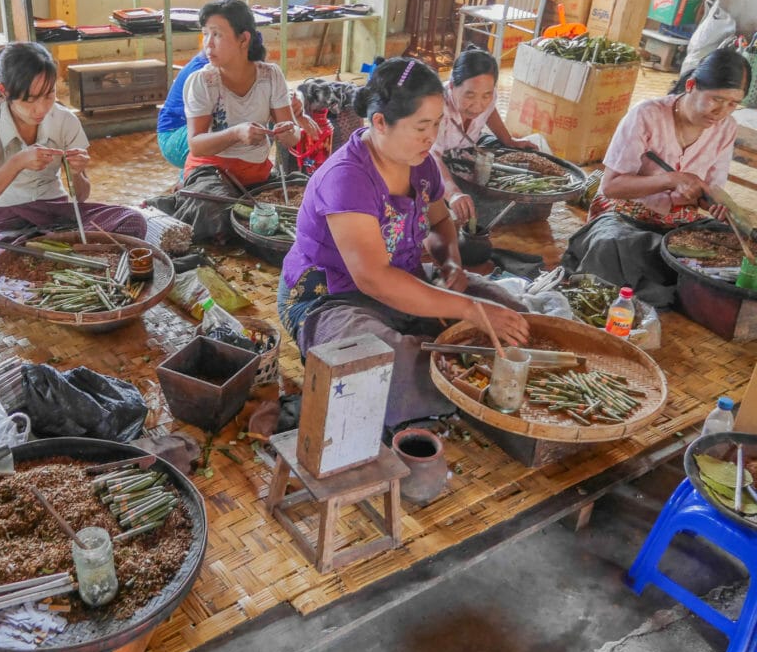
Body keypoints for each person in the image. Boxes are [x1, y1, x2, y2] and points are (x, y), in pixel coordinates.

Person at [278, 57, 530, 430]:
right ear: (380, 122)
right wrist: (470, 310)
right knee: (395, 363)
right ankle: (442, 403)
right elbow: (373, 280)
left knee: (510, 312)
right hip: (330, 299)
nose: (431, 138)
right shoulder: (347, 178)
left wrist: (451, 267)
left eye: (437, 124)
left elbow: (440, 220)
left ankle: (465, 389)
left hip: (406, 278)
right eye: (421, 127)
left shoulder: (421, 163)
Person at [562, 48, 750, 307]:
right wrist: (671, 180)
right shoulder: (646, 115)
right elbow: (612, 186)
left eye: (732, 104)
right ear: (691, 85)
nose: (721, 112)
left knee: (721, 256)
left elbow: (711, 190)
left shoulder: (726, 128)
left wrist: (714, 205)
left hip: (678, 225)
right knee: (611, 245)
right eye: (716, 99)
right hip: (625, 217)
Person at [0, 41, 146, 279]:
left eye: (49, 95)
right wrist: (16, 163)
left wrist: (77, 173)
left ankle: (46, 252)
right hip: (5, 221)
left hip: (57, 215)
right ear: (4, 91)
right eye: (29, 100)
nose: (41, 108)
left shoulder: (64, 120)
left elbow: (82, 195)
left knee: (132, 221)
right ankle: (60, 255)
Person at [146, 0, 302, 242]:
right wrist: (235, 133)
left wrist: (288, 132)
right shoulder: (203, 81)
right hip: (211, 172)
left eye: (217, 35)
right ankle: (180, 199)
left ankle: (195, 200)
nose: (208, 44)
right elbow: (196, 144)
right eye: (205, 34)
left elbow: (294, 137)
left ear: (243, 39)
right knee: (216, 212)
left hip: (256, 174)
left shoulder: (271, 76)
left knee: (307, 192)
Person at [429, 46, 536, 225]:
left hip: (465, 151)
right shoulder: (437, 107)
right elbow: (433, 157)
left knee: (524, 158)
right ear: (453, 86)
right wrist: (453, 194)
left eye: (486, 95)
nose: (478, 106)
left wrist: (509, 141)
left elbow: (491, 111)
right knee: (462, 202)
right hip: (437, 162)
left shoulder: (489, 95)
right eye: (469, 95)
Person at [156, 49, 209, 170]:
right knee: (225, 124)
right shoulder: (203, 72)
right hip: (173, 136)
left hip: (185, 132)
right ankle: (190, 173)